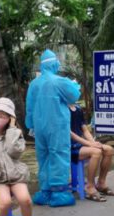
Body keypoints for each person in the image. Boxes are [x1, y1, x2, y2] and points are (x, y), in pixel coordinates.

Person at [25, 49, 81, 207]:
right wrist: (74, 85)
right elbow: (74, 96)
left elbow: (29, 108)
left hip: (39, 128)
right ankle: (59, 193)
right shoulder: (59, 81)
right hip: (57, 126)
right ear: (54, 64)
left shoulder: (34, 84)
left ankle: (45, 191)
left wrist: (30, 126)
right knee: (59, 155)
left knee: (43, 157)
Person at [69, 104, 114, 201]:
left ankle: (101, 184)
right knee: (96, 152)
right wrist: (89, 144)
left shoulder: (78, 108)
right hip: (68, 147)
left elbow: (85, 130)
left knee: (108, 149)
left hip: (80, 144)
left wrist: (93, 143)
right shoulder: (61, 109)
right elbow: (70, 133)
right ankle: (90, 187)